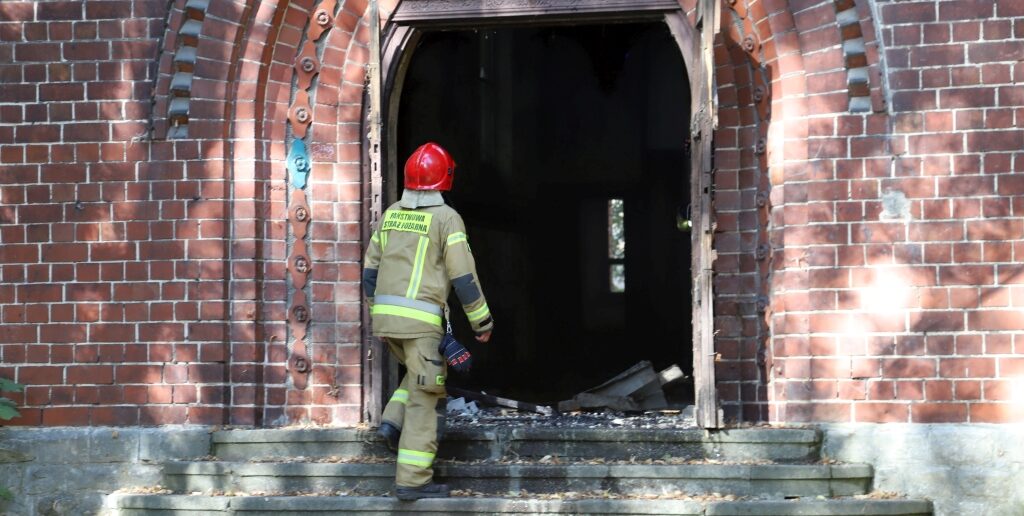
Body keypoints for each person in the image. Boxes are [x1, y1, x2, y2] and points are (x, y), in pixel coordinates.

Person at [362, 142, 494, 500]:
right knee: (427, 397)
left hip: (388, 323)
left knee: (416, 374)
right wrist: (481, 323)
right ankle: (413, 480)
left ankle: (391, 422)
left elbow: (370, 273)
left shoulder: (390, 214)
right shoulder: (446, 218)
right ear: (445, 178)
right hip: (421, 324)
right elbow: (464, 277)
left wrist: (380, 309)